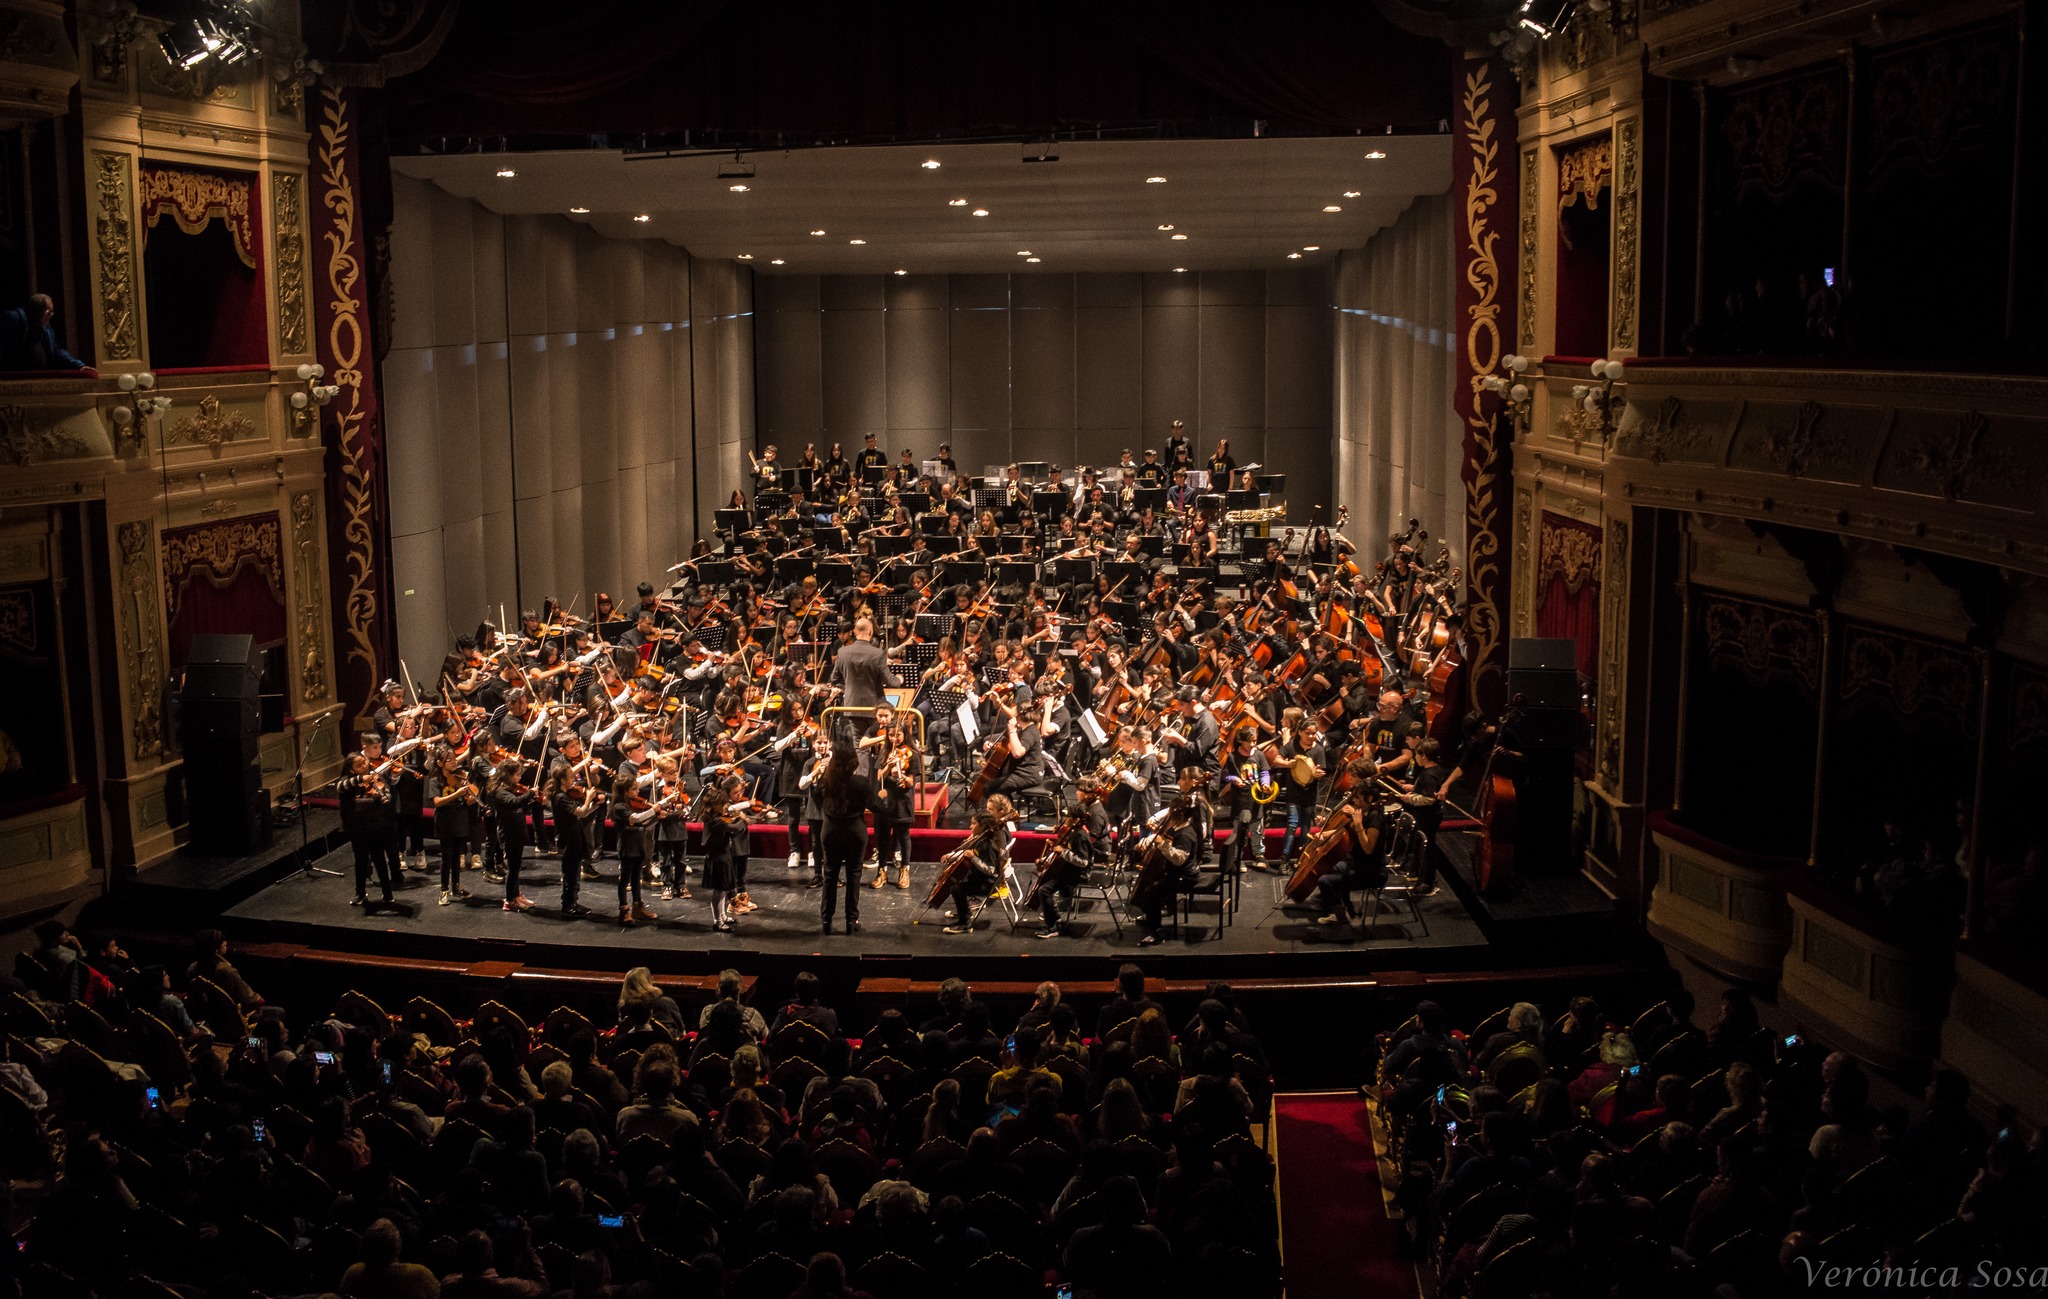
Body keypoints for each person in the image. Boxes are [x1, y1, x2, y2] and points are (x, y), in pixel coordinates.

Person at [816, 744, 876, 934]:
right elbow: (877, 807)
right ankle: (851, 921)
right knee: (854, 875)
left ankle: (826, 921)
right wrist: (882, 797)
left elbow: (817, 800)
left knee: (830, 875)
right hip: (854, 832)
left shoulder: (825, 782)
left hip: (831, 831)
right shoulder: (861, 782)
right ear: (854, 763)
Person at [941, 795, 1014, 934]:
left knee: (957, 887)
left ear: (983, 825)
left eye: (974, 824)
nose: (970, 826)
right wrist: (952, 855)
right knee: (956, 879)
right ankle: (963, 911)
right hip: (981, 876)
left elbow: (991, 870)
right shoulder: (984, 837)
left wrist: (974, 858)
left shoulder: (991, 843)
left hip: (989, 883)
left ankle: (965, 922)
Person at [0, 294, 86, 371]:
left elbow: (56, 350)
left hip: (40, 377)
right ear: (45, 312)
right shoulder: (13, 319)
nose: (51, 315)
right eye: (49, 312)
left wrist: (79, 365)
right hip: (15, 377)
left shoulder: (47, 330)